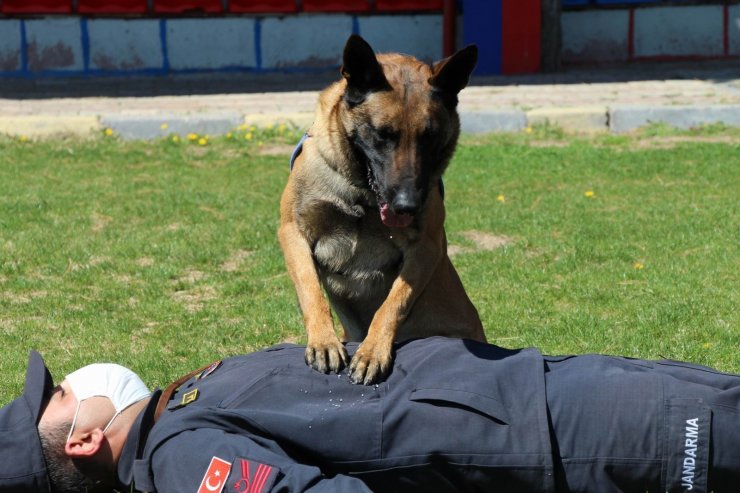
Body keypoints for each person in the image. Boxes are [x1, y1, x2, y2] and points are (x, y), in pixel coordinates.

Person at [1, 337, 738, 493]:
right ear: (88, 437)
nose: (66, 381)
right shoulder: (180, 462)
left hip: (543, 395)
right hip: (560, 442)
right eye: (57, 397)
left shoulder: (176, 410)